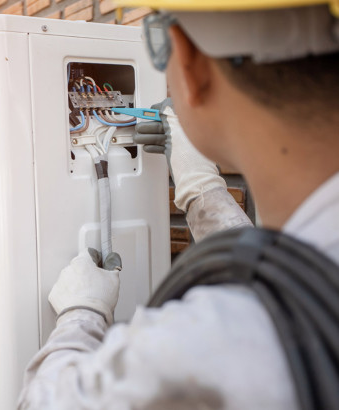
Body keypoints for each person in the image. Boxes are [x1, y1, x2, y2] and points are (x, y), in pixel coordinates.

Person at [18, 1, 339, 409]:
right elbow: (292, 267)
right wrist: (201, 189)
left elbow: (44, 402)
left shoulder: (205, 344)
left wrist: (82, 313)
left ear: (187, 63)